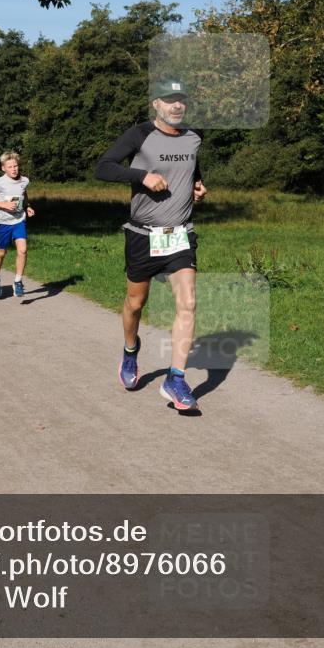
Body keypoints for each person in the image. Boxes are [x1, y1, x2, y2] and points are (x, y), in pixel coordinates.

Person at [95, 80, 207, 410]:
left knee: (187, 302)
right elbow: (103, 167)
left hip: (180, 234)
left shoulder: (195, 135)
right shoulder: (139, 134)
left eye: (181, 101)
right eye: (169, 100)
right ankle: (130, 351)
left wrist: (197, 185)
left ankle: (175, 379)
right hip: (143, 235)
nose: (176, 106)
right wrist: (140, 176)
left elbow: (191, 167)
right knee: (135, 303)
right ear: (155, 104)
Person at [0, 151, 35, 298]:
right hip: (3, 223)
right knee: (1, 252)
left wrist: (27, 206)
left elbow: (23, 194)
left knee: (23, 250)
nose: (14, 169)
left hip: (19, 221)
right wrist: (3, 205)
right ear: (3, 168)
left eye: (16, 166)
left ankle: (18, 281)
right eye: (10, 166)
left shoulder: (24, 180)